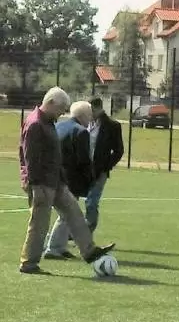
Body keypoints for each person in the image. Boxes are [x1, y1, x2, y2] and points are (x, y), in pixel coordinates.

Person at [18, 87, 115, 274]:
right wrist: (35, 185)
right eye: (61, 108)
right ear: (50, 103)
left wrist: (62, 180)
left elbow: (53, 156)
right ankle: (28, 263)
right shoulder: (35, 124)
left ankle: (89, 251)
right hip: (41, 183)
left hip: (55, 181)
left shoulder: (47, 122)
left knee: (73, 211)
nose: (63, 113)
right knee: (39, 223)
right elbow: (30, 158)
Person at [43, 101, 95, 259]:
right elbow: (83, 160)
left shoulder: (58, 126)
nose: (90, 119)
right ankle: (53, 248)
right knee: (67, 215)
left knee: (64, 214)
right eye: (90, 115)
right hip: (71, 179)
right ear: (84, 115)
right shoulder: (81, 132)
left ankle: (59, 246)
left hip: (54, 175)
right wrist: (89, 179)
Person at [85, 96, 124, 233]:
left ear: (97, 109)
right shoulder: (83, 123)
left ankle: (87, 234)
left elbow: (119, 151)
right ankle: (72, 233)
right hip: (82, 170)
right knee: (71, 202)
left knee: (91, 202)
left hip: (99, 171)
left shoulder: (112, 126)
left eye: (90, 110)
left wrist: (106, 166)